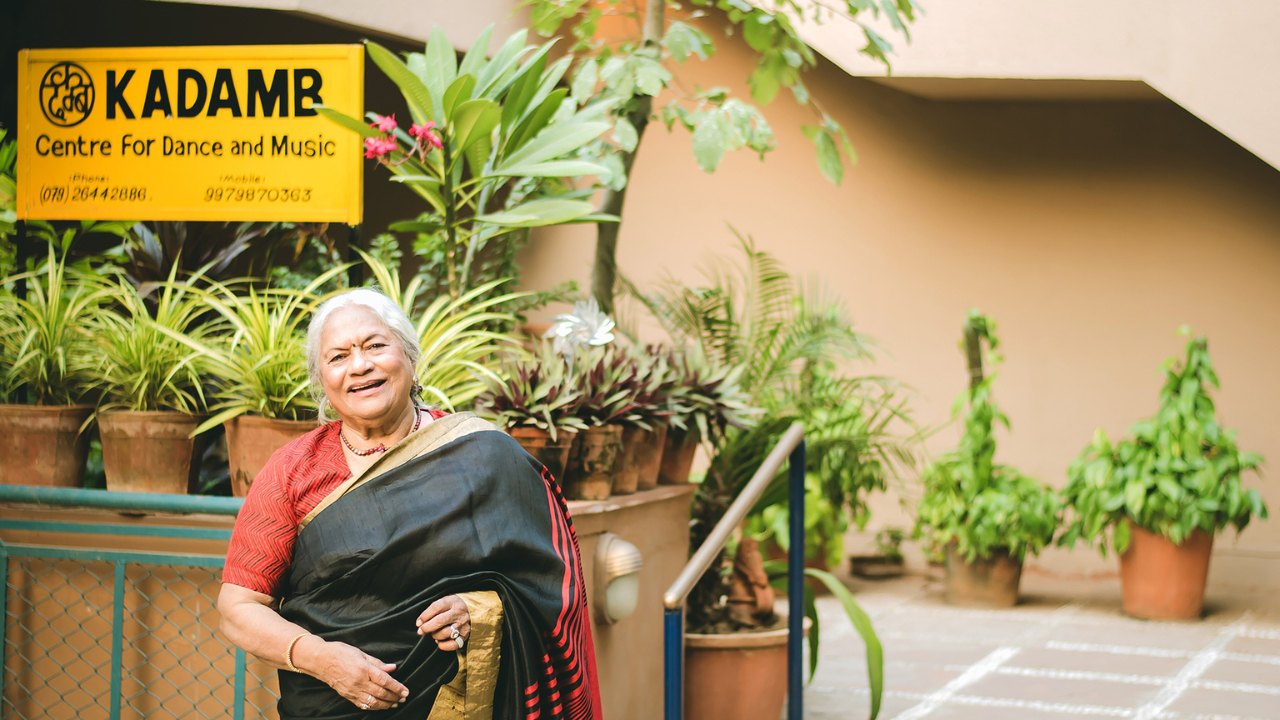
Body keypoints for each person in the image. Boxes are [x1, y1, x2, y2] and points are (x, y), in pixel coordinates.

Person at [217, 288, 601, 720]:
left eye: (375, 346)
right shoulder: (292, 470)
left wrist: (481, 610)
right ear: (322, 380)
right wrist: (323, 659)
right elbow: (239, 609)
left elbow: (551, 586)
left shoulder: (483, 455)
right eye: (338, 357)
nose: (359, 366)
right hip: (331, 704)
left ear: (410, 356)